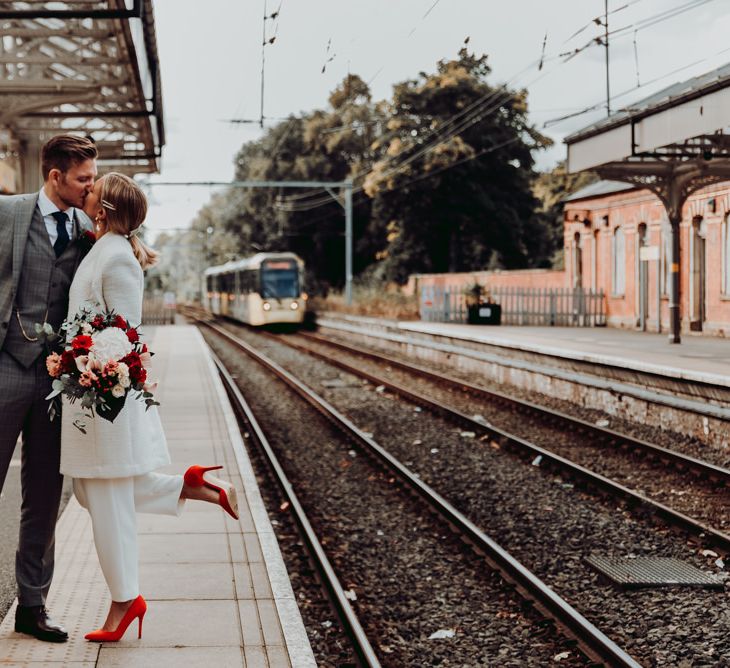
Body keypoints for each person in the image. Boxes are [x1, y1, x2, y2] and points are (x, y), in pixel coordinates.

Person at [60, 172, 239, 642]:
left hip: (105, 400)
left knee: (105, 501)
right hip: (92, 393)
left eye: (94, 188)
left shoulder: (118, 258)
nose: (87, 189)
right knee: (90, 494)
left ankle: (125, 600)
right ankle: (193, 486)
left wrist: (87, 363)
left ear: (103, 209)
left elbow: (126, 333)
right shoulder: (104, 248)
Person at [0, 134, 98, 643]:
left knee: (43, 493)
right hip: (6, 368)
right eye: (83, 178)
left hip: (57, 379)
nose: (91, 186)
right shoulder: (9, 213)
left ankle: (31, 607)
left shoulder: (89, 225)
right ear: (55, 176)